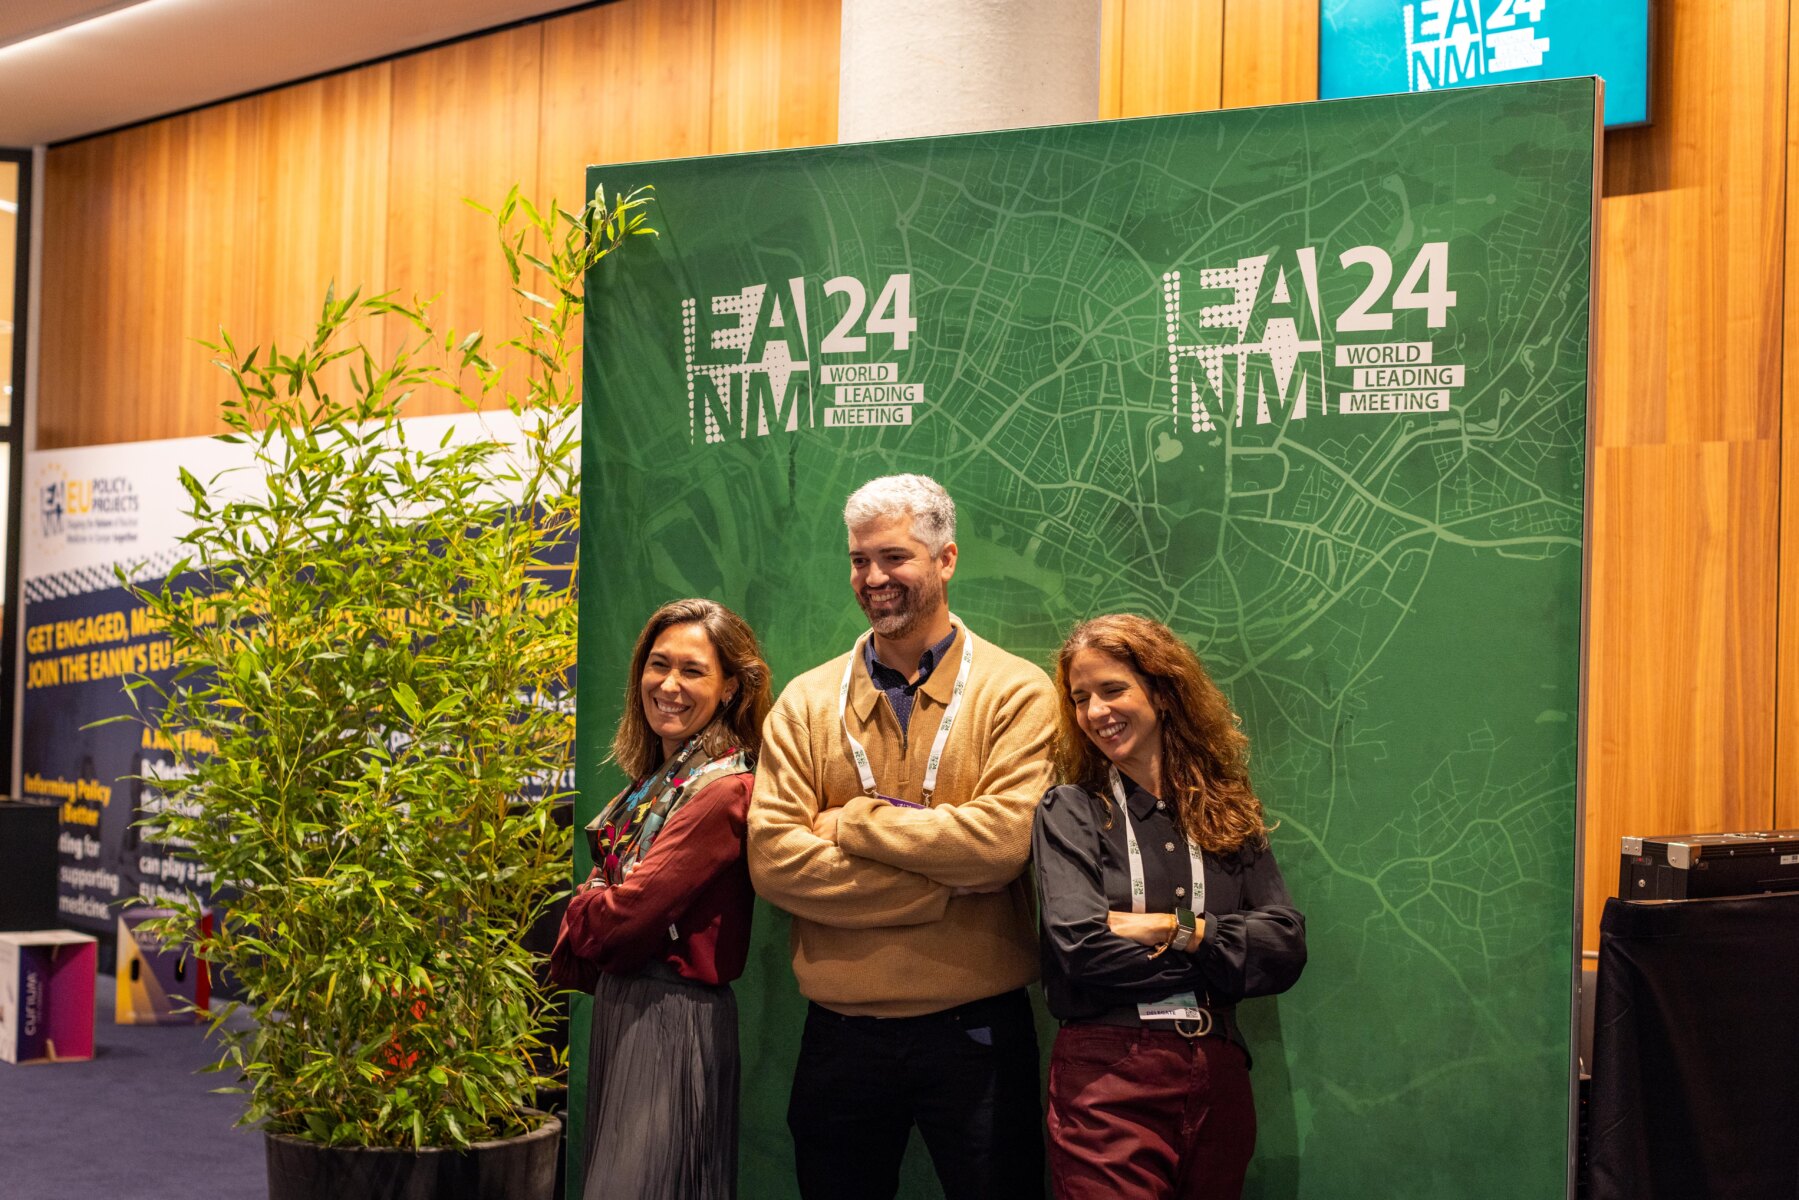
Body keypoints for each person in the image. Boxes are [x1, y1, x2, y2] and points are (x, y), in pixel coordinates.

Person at [747, 473, 1056, 1200]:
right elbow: (775, 863)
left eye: (894, 557)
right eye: (859, 560)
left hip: (979, 1033)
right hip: (839, 1036)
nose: (873, 578)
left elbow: (1000, 847)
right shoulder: (804, 702)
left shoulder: (1016, 692)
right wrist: (942, 886)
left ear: (946, 560)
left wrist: (853, 823)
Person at [1033, 614, 1307, 1200]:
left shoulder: (1228, 809)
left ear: (1161, 691)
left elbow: (1284, 947)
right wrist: (1224, 953)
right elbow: (1081, 952)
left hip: (1219, 1071)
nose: (1095, 712)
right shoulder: (1071, 810)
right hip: (1109, 1076)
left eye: (1112, 689)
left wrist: (1172, 928)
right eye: (1080, 698)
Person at [549, 598, 773, 1200]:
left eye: (693, 671)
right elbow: (615, 898)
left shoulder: (722, 789)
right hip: (628, 1007)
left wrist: (587, 903)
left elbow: (622, 921)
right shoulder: (660, 782)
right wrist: (602, 896)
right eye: (658, 664)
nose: (669, 685)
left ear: (730, 688)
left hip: (672, 1018)